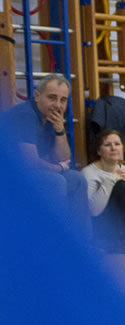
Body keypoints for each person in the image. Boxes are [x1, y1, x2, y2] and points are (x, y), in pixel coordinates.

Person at [4, 74, 88, 233]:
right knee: (56, 181)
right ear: (37, 96)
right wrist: (59, 168)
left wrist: (60, 130)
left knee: (77, 179)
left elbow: (63, 158)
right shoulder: (25, 115)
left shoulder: (50, 118)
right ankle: (55, 242)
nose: (57, 105)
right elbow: (30, 163)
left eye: (63, 100)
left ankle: (82, 242)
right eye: (52, 97)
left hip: (24, 175)